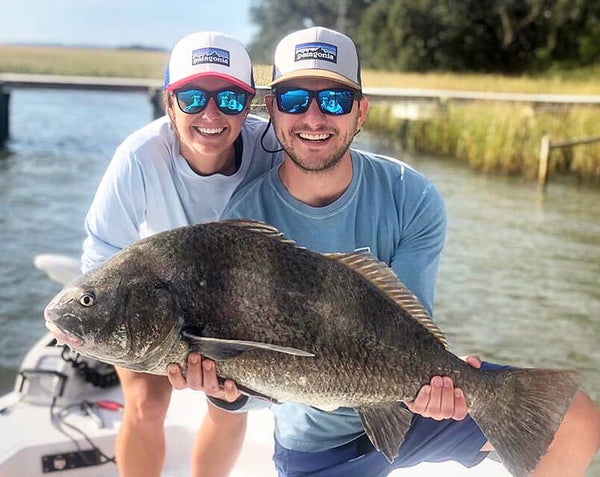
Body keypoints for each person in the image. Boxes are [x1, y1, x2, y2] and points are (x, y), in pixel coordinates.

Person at [173, 26, 600, 476]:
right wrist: (228, 388)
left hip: (408, 409)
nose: (314, 118)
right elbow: (247, 361)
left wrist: (445, 383)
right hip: (316, 443)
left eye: (335, 100)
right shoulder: (244, 219)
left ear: (361, 112)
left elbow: (410, 330)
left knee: (576, 417)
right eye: (296, 99)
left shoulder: (410, 196)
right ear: (273, 109)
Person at [81, 31, 281, 477]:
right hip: (151, 300)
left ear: (249, 104)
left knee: (229, 405)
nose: (210, 114)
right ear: (169, 103)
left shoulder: (274, 153)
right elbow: (101, 255)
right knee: (148, 404)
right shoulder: (138, 157)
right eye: (191, 98)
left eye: (229, 99)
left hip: (233, 306)